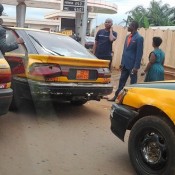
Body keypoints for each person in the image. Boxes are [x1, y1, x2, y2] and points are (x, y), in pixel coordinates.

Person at [108, 21, 144, 101]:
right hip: (125, 64)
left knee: (133, 84)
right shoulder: (127, 36)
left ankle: (132, 100)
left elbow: (139, 53)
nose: (128, 26)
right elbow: (125, 51)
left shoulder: (139, 38)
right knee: (121, 81)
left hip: (132, 65)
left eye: (130, 25)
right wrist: (121, 62)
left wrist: (136, 67)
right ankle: (116, 96)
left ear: (134, 27)